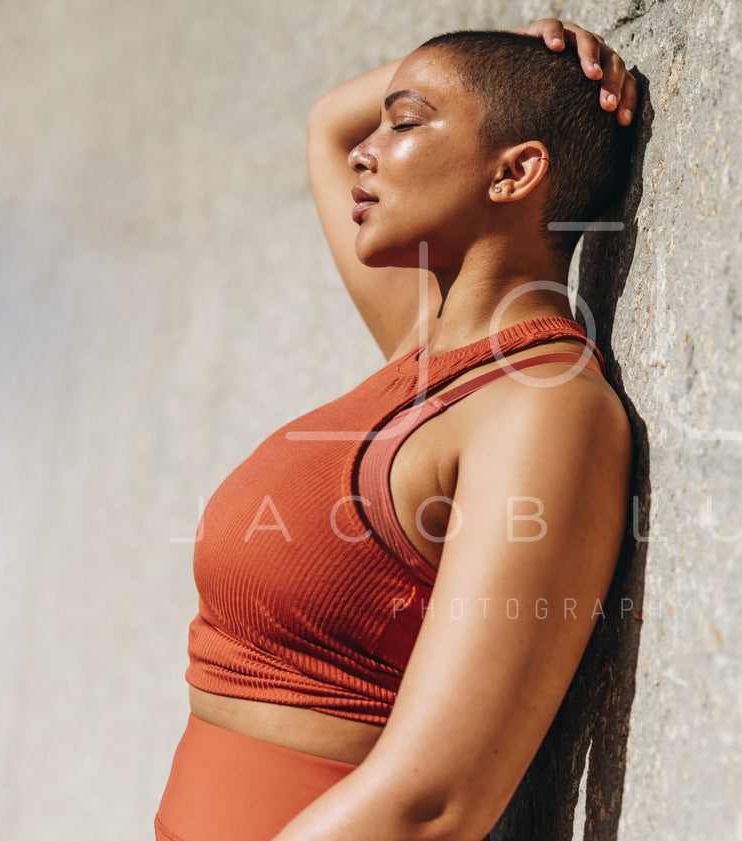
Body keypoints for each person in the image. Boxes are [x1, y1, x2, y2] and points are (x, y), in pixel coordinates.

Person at [154, 18, 640, 841]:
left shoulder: (540, 406)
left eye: (406, 122)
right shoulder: (424, 351)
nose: (366, 153)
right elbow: (328, 125)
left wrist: (519, 78)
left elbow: (433, 803)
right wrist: (531, 53)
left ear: (516, 171)